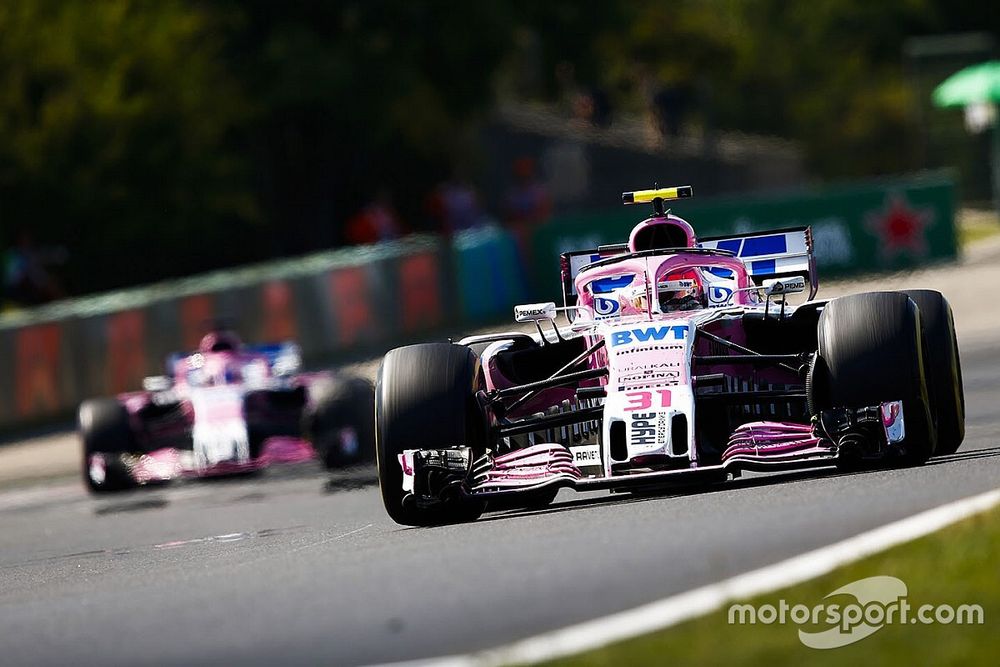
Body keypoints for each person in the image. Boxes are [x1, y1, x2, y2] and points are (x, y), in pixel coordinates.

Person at [2, 228, 65, 306]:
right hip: (15, 288)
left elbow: (47, 256)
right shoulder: (13, 254)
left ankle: (59, 300)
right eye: (24, 238)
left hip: (27, 286)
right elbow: (14, 277)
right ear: (18, 240)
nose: (27, 240)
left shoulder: (29, 252)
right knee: (42, 276)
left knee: (49, 277)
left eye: (28, 238)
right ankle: (60, 300)